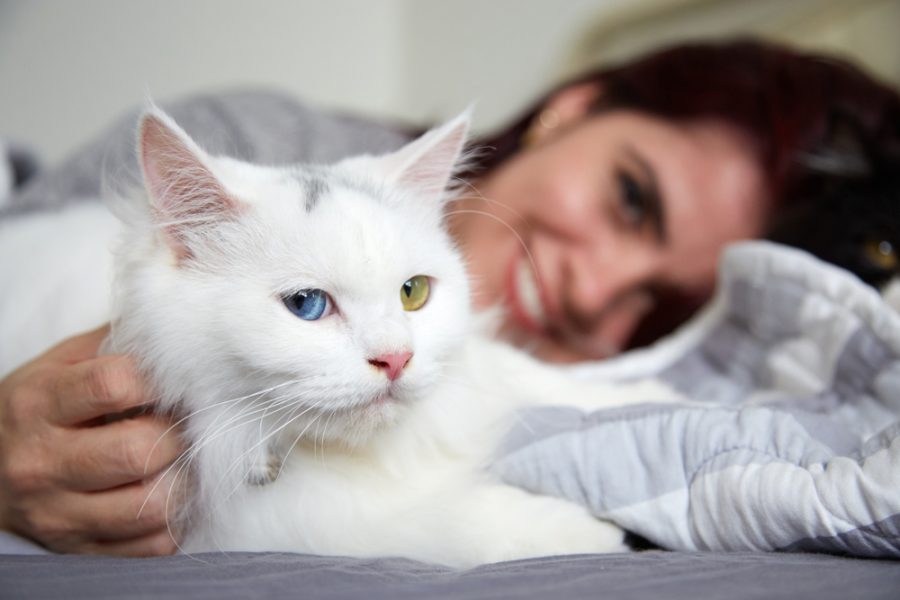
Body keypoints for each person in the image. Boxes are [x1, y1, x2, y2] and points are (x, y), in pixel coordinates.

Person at [1, 38, 898, 556]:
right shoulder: (250, 143)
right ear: (572, 110)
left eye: (662, 300)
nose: (597, 291)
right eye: (632, 198)